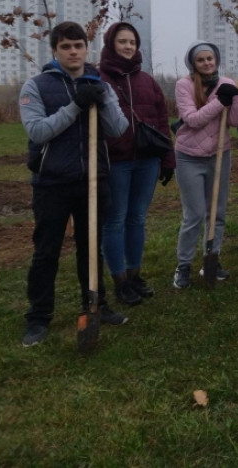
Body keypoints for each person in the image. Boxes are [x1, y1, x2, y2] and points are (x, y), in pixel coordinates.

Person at [19, 21, 130, 348]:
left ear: (86, 48)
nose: (73, 52)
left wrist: (102, 98)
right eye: (65, 46)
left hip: (93, 180)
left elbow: (118, 128)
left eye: (78, 46)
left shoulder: (100, 84)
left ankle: (96, 304)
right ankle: (38, 317)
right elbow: (38, 131)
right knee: (47, 250)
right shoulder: (36, 86)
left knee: (90, 248)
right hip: (52, 183)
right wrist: (75, 105)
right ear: (55, 50)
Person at [99, 22, 175, 305]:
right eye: (122, 41)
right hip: (116, 162)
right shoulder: (98, 78)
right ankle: (119, 280)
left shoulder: (148, 81)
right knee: (115, 220)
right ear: (111, 43)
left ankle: (134, 274)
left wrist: (167, 157)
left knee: (137, 219)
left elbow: (161, 121)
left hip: (146, 161)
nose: (128, 46)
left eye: (132, 41)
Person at [172, 42, 238, 289]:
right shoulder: (184, 85)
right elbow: (191, 120)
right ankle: (183, 265)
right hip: (189, 156)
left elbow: (236, 120)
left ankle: (211, 259)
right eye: (201, 59)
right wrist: (220, 101)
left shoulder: (226, 83)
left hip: (219, 155)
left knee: (218, 213)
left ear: (216, 59)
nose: (206, 63)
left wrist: (236, 96)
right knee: (194, 214)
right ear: (193, 63)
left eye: (210, 58)